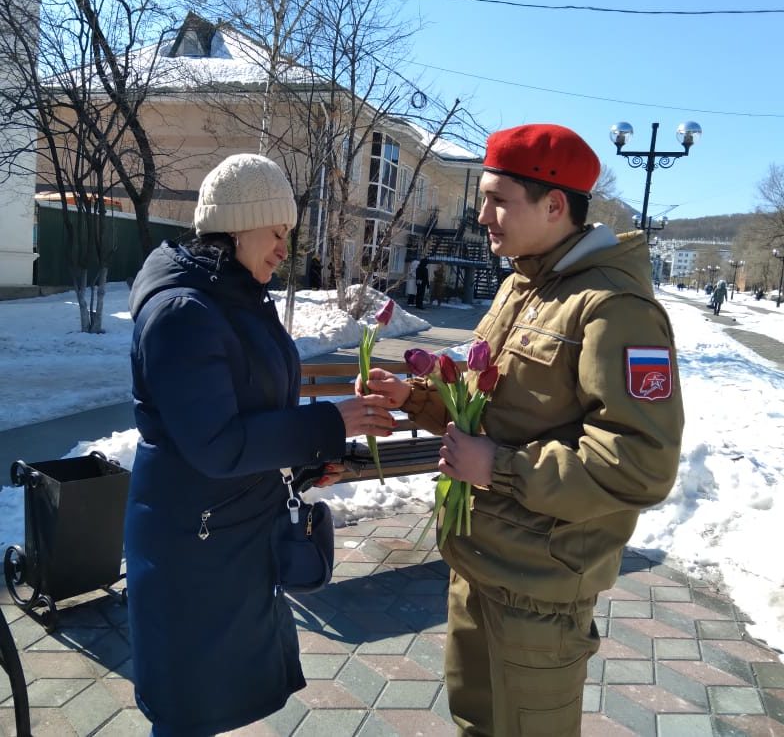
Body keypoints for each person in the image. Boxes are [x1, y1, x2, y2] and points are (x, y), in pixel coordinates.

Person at [361, 124, 684, 736]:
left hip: (540, 591)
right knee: (475, 725)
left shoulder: (614, 310)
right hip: (478, 563)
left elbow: (642, 461)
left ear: (555, 205)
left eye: (499, 199)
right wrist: (416, 397)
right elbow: (487, 403)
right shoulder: (520, 286)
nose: (483, 215)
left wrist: (500, 467)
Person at [125, 153, 395, 737]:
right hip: (192, 545)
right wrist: (331, 422)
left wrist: (302, 464)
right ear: (240, 224)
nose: (283, 248)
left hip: (231, 531)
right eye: (277, 233)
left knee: (211, 696)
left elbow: (251, 413)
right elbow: (216, 444)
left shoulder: (234, 294)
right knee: (188, 707)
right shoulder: (183, 312)